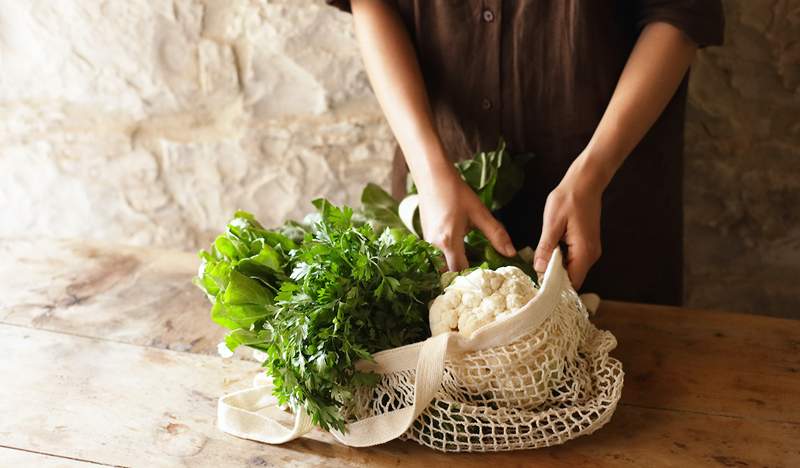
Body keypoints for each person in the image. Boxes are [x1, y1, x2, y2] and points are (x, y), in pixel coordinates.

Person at [326, 0, 724, 305]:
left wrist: (593, 173)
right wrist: (431, 174)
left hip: (609, 199)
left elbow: (680, 13)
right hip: (441, 187)